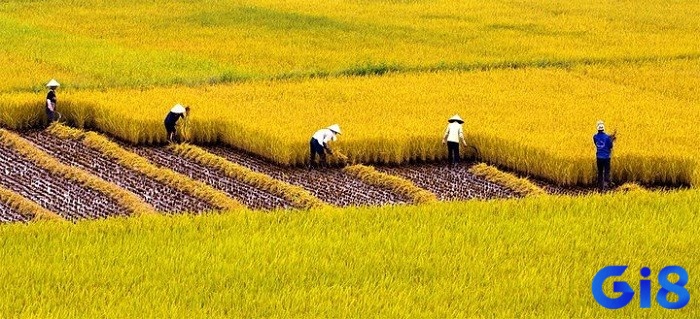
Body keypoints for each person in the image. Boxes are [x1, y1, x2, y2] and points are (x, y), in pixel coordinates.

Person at [593, 120, 616, 191]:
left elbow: (596, 143)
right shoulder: (607, 137)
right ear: (603, 128)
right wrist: (612, 139)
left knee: (600, 172)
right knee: (606, 172)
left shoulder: (595, 137)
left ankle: (600, 188)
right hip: (606, 158)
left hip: (599, 158)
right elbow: (610, 146)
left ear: (597, 128)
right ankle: (606, 187)